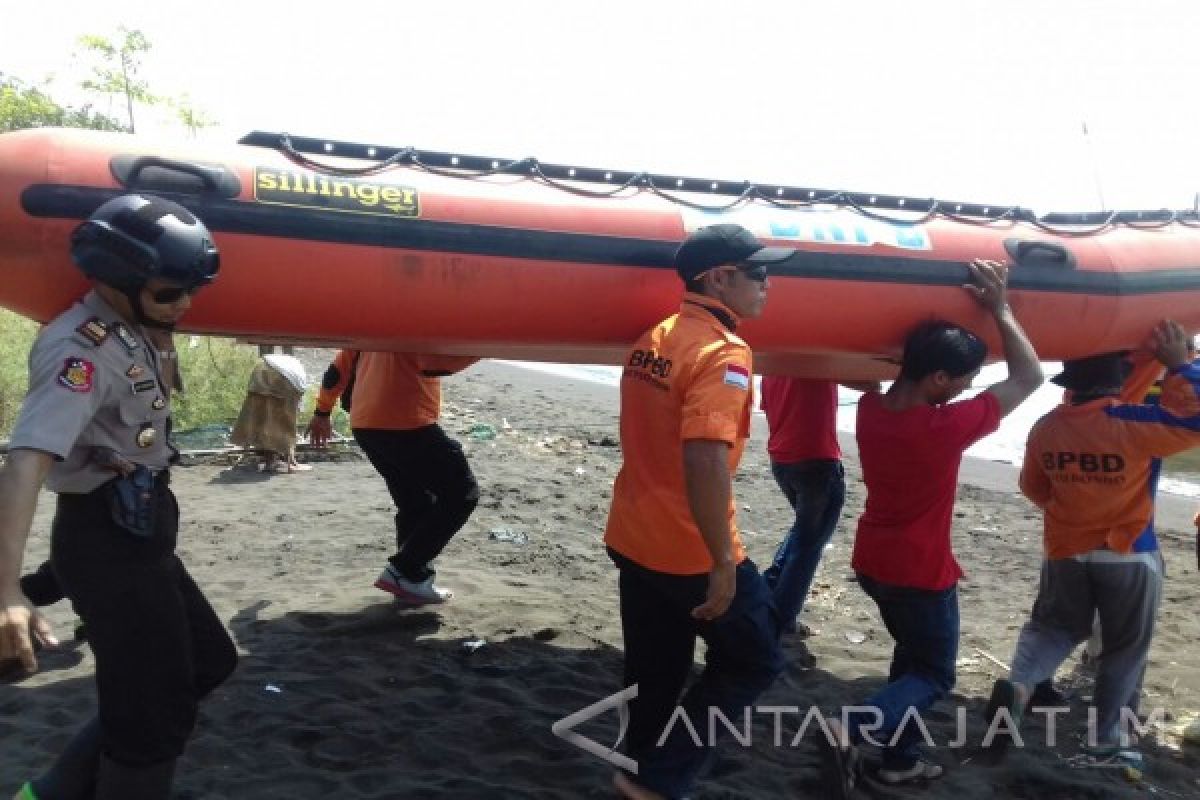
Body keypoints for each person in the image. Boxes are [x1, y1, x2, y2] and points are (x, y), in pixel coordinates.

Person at [0, 194, 236, 799]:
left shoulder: (139, 326)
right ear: (118, 281)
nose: (183, 304)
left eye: (191, 291)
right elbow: (27, 458)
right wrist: (5, 592)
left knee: (210, 662)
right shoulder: (81, 350)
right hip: (105, 540)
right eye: (168, 293)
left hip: (142, 531)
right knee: (150, 728)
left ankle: (50, 793)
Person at [823, 259, 1043, 795]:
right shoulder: (945, 427)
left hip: (874, 561)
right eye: (965, 379)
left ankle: (900, 761)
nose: (970, 388)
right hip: (919, 572)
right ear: (940, 379)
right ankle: (850, 727)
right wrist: (1000, 306)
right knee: (935, 675)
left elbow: (880, 374)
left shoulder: (872, 410)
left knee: (910, 661)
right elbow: (1031, 377)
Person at [604, 224, 792, 800]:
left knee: (655, 672)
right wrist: (721, 561)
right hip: (687, 548)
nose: (768, 285)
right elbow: (705, 458)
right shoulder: (723, 352)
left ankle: (635, 767)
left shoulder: (654, 336)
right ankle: (658, 783)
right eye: (759, 273)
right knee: (754, 661)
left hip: (634, 533)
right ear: (721, 277)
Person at [987, 320, 1200, 763]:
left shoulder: (1046, 427)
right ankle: (1108, 738)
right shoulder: (1133, 422)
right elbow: (1194, 421)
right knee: (1124, 649)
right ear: (1118, 382)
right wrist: (1181, 366)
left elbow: (1034, 489)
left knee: (1054, 628)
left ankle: (1022, 683)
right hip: (1128, 552)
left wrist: (1077, 500)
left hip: (1066, 550)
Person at [307, 349, 479, 604]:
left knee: (415, 503)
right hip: (405, 422)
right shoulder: (412, 320)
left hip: (366, 424)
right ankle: (405, 570)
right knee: (461, 493)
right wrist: (483, 350)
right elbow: (433, 363)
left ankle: (412, 584)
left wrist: (322, 412)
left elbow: (337, 370)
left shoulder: (372, 323)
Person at [759, 376, 878, 643]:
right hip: (815, 461)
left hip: (782, 459)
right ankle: (782, 619)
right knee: (808, 546)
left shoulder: (775, 364)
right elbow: (869, 383)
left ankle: (767, 590)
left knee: (803, 536)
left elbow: (768, 407)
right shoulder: (817, 360)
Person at [230, 353, 312, 473]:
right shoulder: (299, 383)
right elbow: (291, 420)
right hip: (284, 377)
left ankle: (270, 461)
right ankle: (291, 463)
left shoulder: (294, 367)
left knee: (261, 420)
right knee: (286, 421)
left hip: (261, 369)